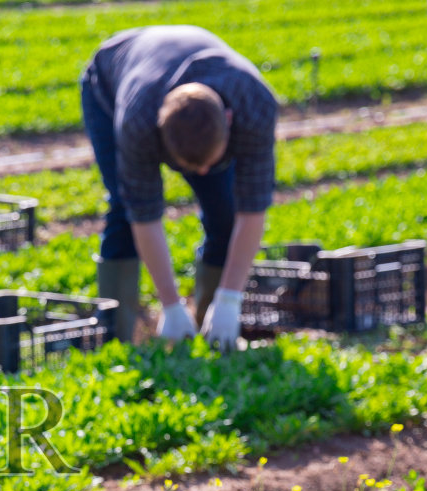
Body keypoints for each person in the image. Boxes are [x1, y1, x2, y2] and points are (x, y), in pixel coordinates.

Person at [80, 26, 278, 350]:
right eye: (190, 167)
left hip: (174, 73)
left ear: (229, 122)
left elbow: (252, 208)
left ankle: (212, 326)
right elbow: (143, 213)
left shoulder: (254, 104)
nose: (200, 173)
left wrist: (230, 299)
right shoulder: (138, 122)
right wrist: (170, 304)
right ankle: (118, 338)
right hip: (109, 81)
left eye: (206, 165)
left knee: (224, 211)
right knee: (122, 209)